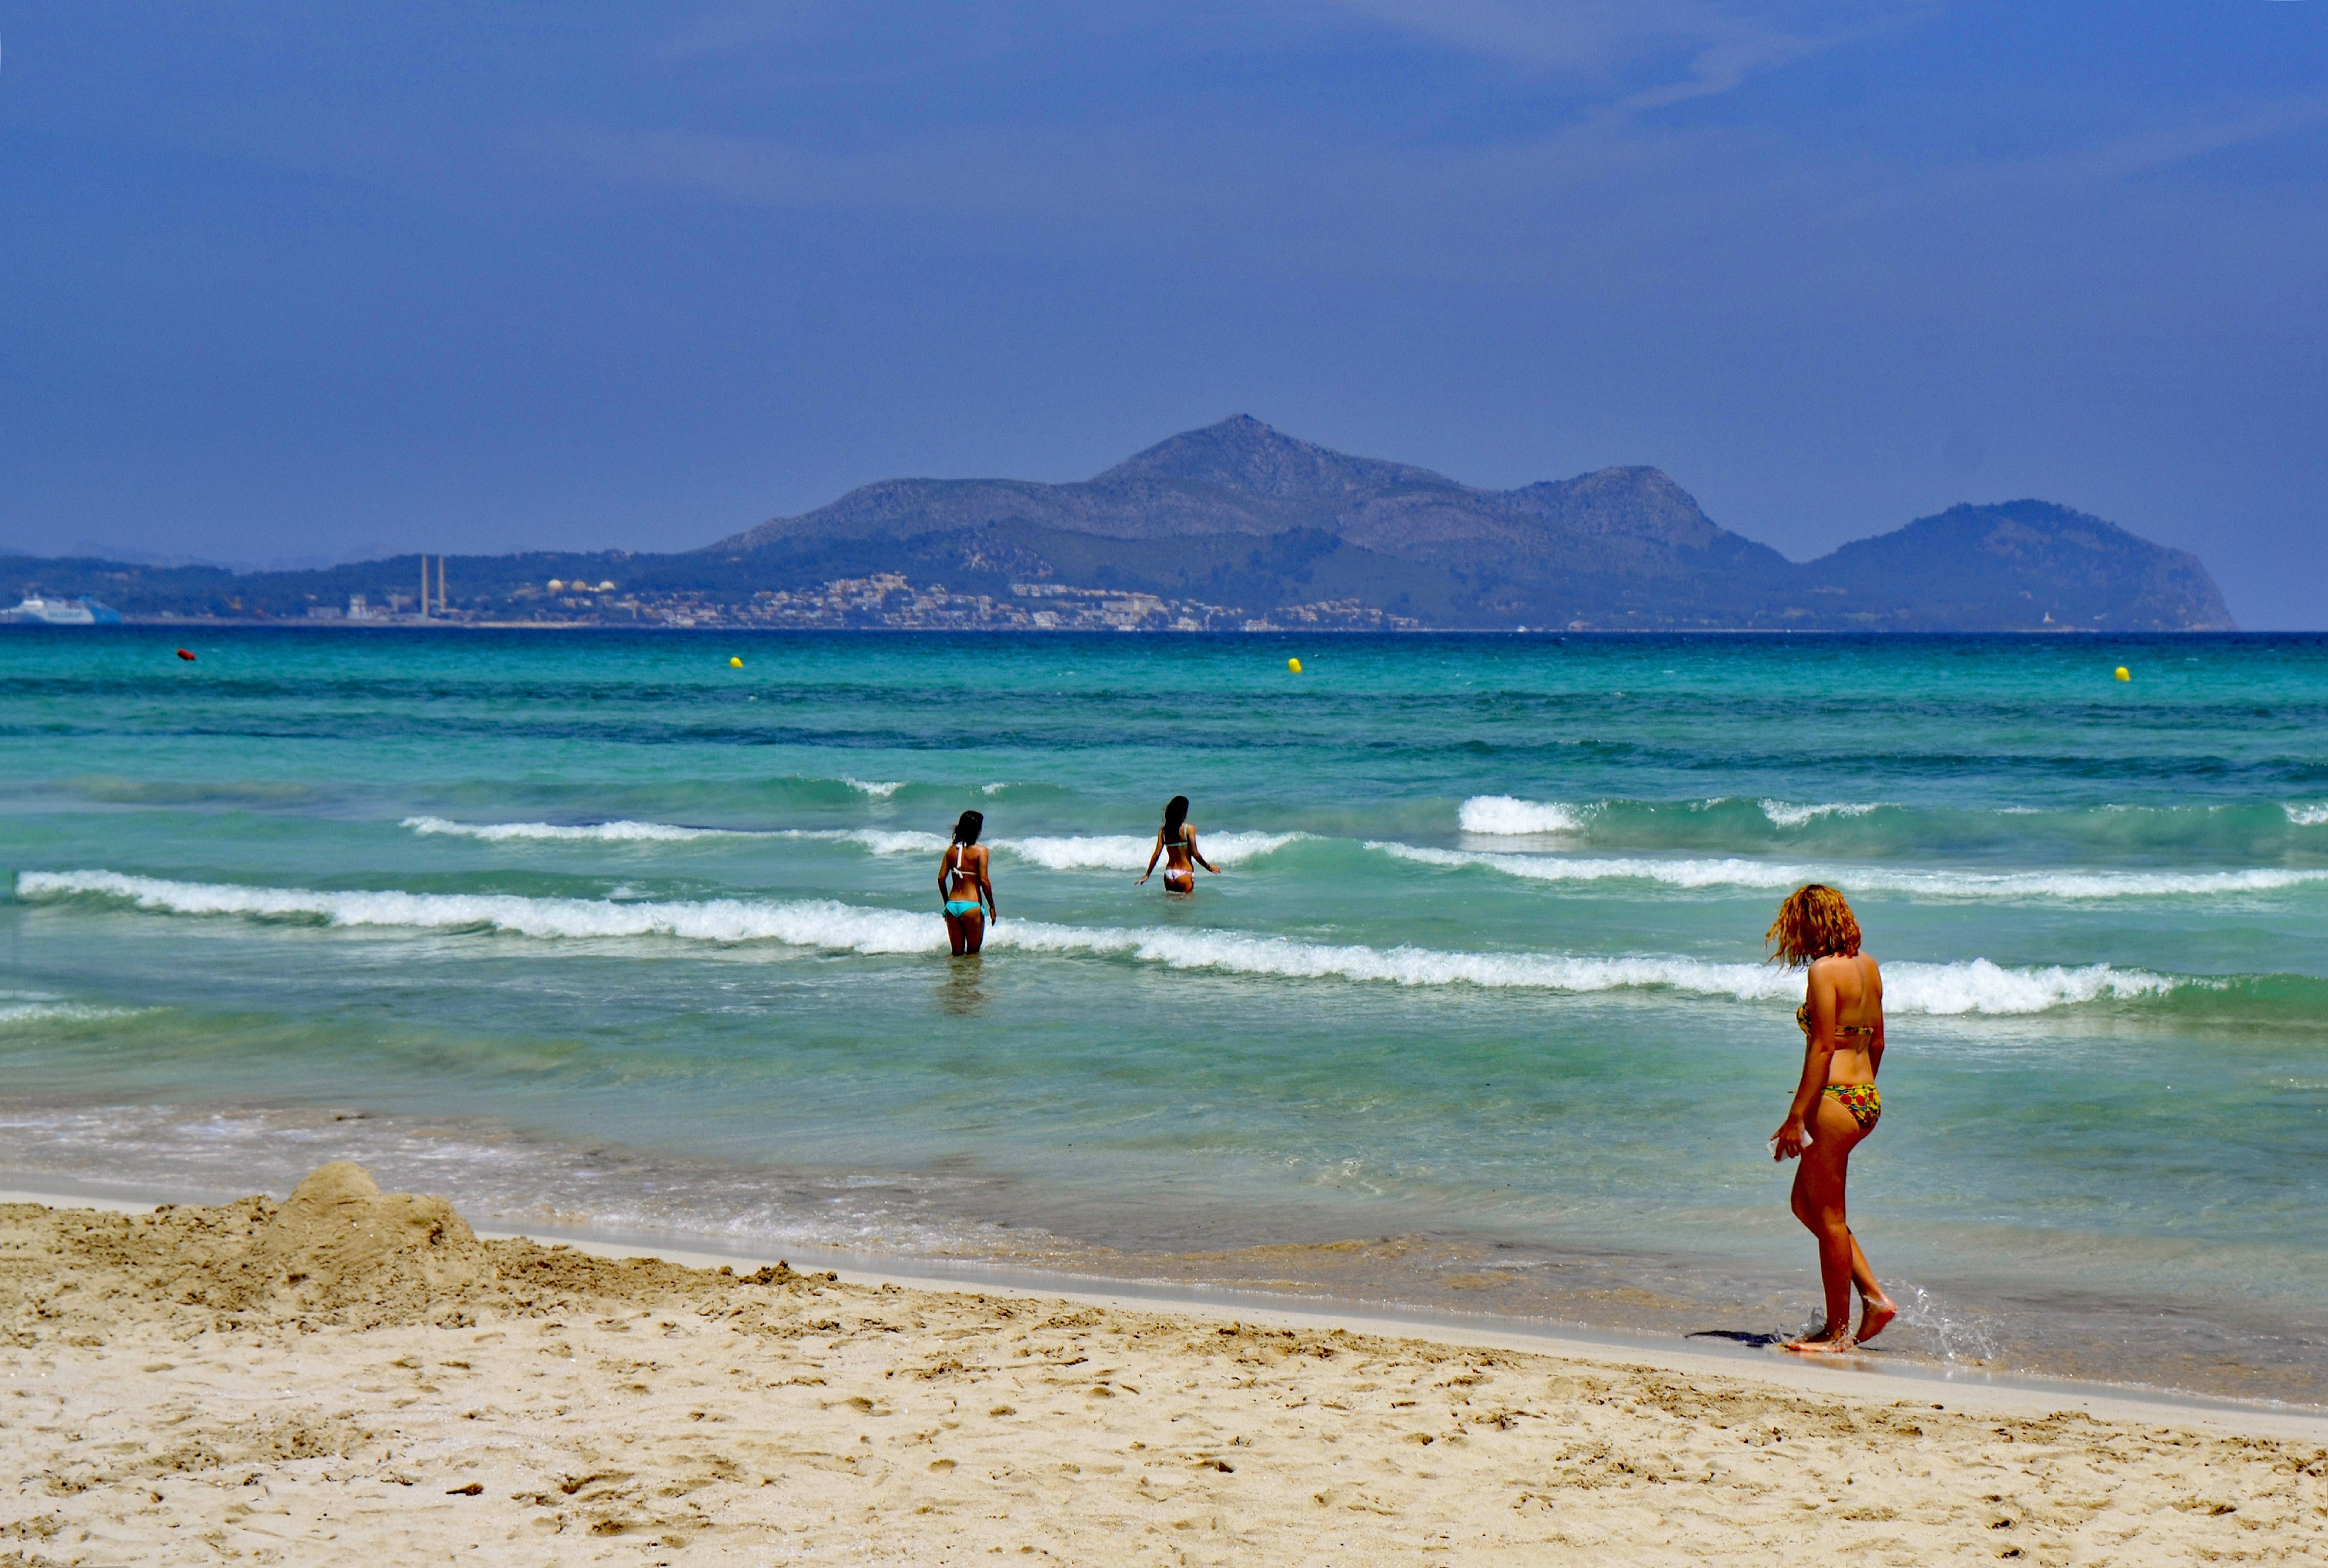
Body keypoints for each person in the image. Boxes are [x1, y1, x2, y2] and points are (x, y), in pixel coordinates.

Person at [1766, 883, 1897, 1354]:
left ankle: (1838, 1332)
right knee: (1806, 1204)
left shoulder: (1824, 972)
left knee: (1830, 1216)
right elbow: (1878, 1042)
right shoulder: (1869, 967)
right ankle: (1873, 1298)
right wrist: (1860, 1098)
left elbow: (1822, 1048)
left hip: (1836, 1099)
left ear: (1810, 925)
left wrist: (1797, 1116)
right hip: (1865, 1098)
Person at [938, 810, 997, 956]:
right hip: (972, 906)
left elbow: (941, 879)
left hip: (952, 906)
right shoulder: (981, 851)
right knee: (973, 954)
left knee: (956, 954)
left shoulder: (951, 851)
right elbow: (984, 880)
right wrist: (992, 906)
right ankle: (971, 980)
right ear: (977, 829)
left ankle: (957, 980)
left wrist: (947, 903)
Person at [1137, 795, 1219, 894]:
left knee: (1172, 908)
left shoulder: (1164, 831)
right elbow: (1195, 854)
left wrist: (1147, 875)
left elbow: (1156, 854)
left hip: (1169, 874)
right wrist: (1208, 867)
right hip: (1185, 874)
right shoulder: (1189, 829)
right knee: (1186, 908)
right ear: (1184, 812)